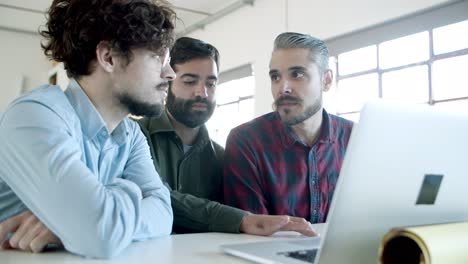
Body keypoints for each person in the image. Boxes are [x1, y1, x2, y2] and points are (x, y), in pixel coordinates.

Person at [0, 0, 176, 258]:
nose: (170, 73)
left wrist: (79, 223)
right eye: (157, 57)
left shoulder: (131, 135)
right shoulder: (33, 116)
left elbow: (164, 213)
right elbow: (99, 235)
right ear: (108, 57)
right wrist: (124, 196)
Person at [137, 37, 316, 236]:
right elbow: (155, 197)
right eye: (189, 81)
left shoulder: (221, 157)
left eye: (211, 83)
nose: (202, 93)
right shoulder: (134, 136)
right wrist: (242, 220)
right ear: (168, 81)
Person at [223, 32, 354, 223]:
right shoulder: (246, 141)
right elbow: (253, 234)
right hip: (269, 252)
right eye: (275, 76)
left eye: (297, 74)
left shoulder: (355, 138)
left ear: (326, 80)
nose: (282, 88)